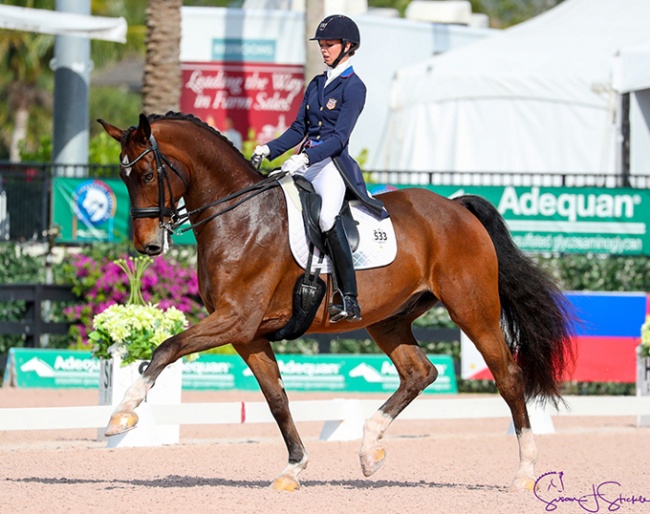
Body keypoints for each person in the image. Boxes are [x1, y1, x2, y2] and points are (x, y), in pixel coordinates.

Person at [252, 14, 387, 323]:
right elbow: (298, 129)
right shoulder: (316, 84)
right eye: (322, 45)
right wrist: (267, 149)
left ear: (348, 46)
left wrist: (307, 159)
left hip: (331, 165)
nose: (323, 50)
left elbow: (339, 138)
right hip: (305, 161)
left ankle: (348, 297)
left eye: (329, 45)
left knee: (326, 216)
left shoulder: (354, 88)